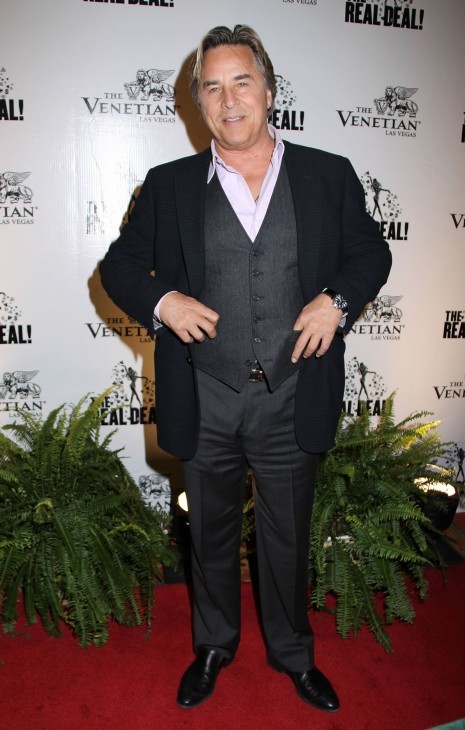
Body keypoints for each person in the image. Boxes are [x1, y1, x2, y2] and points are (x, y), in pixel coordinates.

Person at [99, 24, 392, 713]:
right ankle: (213, 646)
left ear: (269, 89)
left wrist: (336, 300)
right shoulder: (168, 185)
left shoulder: (328, 174)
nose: (228, 99)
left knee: (288, 536)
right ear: (197, 101)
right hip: (205, 392)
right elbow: (118, 267)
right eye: (212, 87)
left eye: (241, 82)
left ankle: (293, 653)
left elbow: (370, 253)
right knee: (209, 534)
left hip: (293, 392)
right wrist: (164, 301)